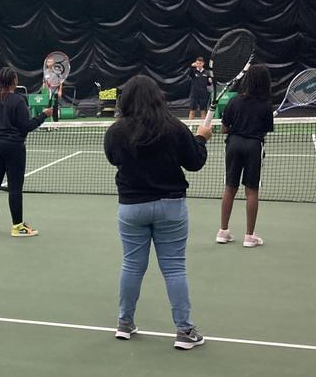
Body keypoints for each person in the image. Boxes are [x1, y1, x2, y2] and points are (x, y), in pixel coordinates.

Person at [103, 75, 212, 350]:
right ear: (158, 97)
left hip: (131, 208)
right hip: (170, 207)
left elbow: (114, 158)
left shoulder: (116, 131)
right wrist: (201, 138)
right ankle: (184, 331)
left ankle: (124, 324)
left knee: (131, 266)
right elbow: (195, 162)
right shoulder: (174, 127)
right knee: (174, 268)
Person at [0, 67, 53, 237]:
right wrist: (43, 115)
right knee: (15, 188)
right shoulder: (18, 101)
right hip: (13, 148)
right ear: (14, 81)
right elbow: (26, 127)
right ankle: (17, 227)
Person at [217, 64, 274, 248]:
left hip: (233, 145)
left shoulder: (234, 101)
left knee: (229, 188)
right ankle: (249, 236)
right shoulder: (266, 105)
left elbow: (224, 129)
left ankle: (223, 232)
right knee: (252, 191)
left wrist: (238, 128)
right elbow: (264, 132)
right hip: (253, 146)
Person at [187, 56, 209, 120]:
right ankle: (190, 127)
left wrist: (210, 81)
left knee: (203, 112)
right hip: (194, 95)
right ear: (195, 64)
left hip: (203, 95)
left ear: (203, 63)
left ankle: (203, 127)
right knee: (192, 112)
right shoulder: (193, 71)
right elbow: (190, 73)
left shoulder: (206, 72)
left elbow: (208, 83)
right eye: (197, 63)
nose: (198, 65)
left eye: (200, 63)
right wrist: (191, 66)